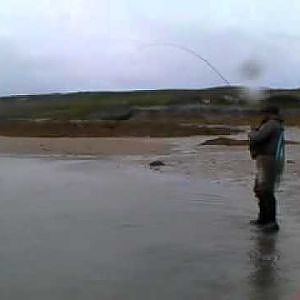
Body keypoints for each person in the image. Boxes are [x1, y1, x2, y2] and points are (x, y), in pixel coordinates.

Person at [248, 105, 285, 232]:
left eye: (264, 113)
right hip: (265, 159)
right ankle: (263, 219)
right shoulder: (273, 124)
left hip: (268, 160)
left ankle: (270, 222)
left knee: (266, 191)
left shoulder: (272, 124)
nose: (262, 115)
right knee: (260, 189)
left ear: (270, 113)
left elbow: (258, 137)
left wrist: (251, 132)